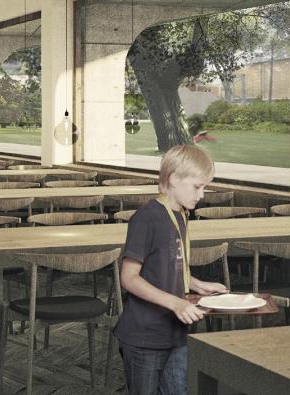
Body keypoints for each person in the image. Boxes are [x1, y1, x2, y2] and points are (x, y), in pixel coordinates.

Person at [115, 144, 228, 394]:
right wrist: (177, 304)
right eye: (198, 186)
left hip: (175, 331)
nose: (202, 194)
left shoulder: (181, 214)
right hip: (145, 336)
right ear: (175, 179)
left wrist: (195, 283)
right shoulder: (147, 218)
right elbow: (129, 278)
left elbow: (167, 265)